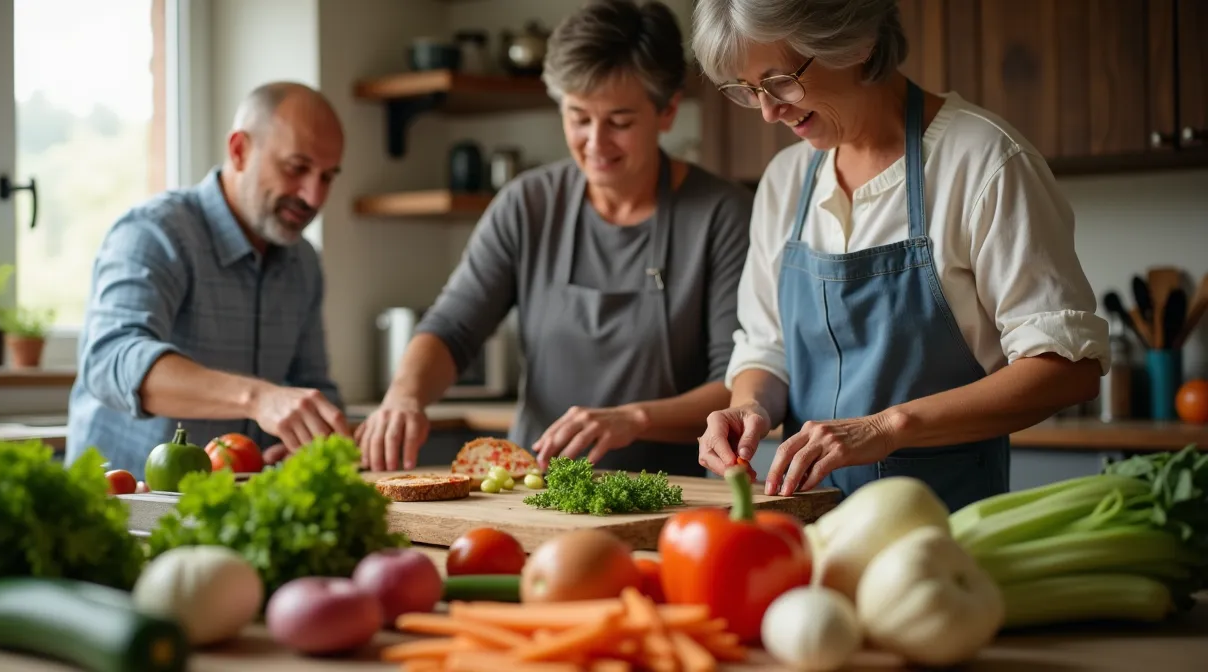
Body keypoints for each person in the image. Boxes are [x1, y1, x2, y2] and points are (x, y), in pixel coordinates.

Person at [691, 0, 1111, 512]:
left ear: (856, 43)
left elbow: (1068, 367)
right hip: (803, 531)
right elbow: (766, 347)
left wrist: (887, 428)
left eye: (779, 79)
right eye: (748, 89)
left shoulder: (983, 162)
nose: (768, 110)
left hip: (942, 531)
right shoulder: (785, 181)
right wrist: (748, 405)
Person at [356, 0, 754, 477]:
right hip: (530, 485)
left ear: (667, 110)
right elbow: (452, 329)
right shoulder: (527, 204)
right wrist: (404, 396)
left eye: (620, 122)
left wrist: (633, 418)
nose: (595, 142)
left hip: (666, 493)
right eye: (578, 117)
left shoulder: (722, 215)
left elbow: (735, 383)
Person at [65, 81, 351, 478]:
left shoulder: (304, 263)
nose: (314, 197)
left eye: (328, 177)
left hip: (232, 507)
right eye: (297, 168)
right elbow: (110, 359)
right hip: (123, 508)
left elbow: (312, 385)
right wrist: (258, 398)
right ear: (239, 151)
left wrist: (303, 441)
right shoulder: (154, 232)